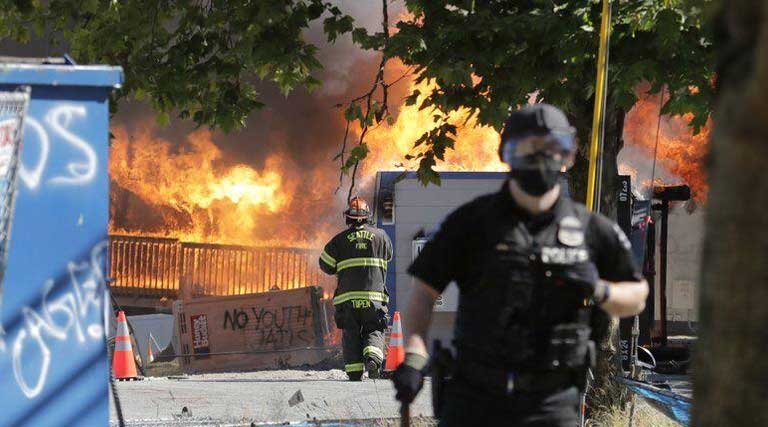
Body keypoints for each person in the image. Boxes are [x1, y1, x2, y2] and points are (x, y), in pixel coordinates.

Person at [392, 104, 649, 425]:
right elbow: (423, 293)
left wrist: (599, 290)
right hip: (475, 400)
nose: (540, 160)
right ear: (506, 152)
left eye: (551, 148)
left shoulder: (592, 230)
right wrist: (415, 357)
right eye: (528, 149)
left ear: (568, 154)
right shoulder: (470, 224)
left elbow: (637, 295)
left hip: (553, 404)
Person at [319, 196, 394, 381]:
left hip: (348, 301)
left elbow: (325, 265)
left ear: (348, 218)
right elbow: (389, 256)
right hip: (374, 299)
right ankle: (373, 360)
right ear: (367, 216)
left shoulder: (338, 241)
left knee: (351, 333)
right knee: (374, 329)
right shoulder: (381, 237)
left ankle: (354, 373)